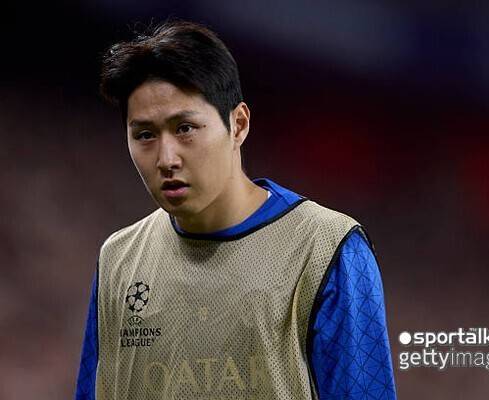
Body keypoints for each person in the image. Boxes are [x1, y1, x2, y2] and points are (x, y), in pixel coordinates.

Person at [75, 19, 397, 400]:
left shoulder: (327, 250)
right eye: (145, 135)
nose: (166, 158)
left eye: (185, 128)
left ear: (238, 124)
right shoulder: (118, 261)